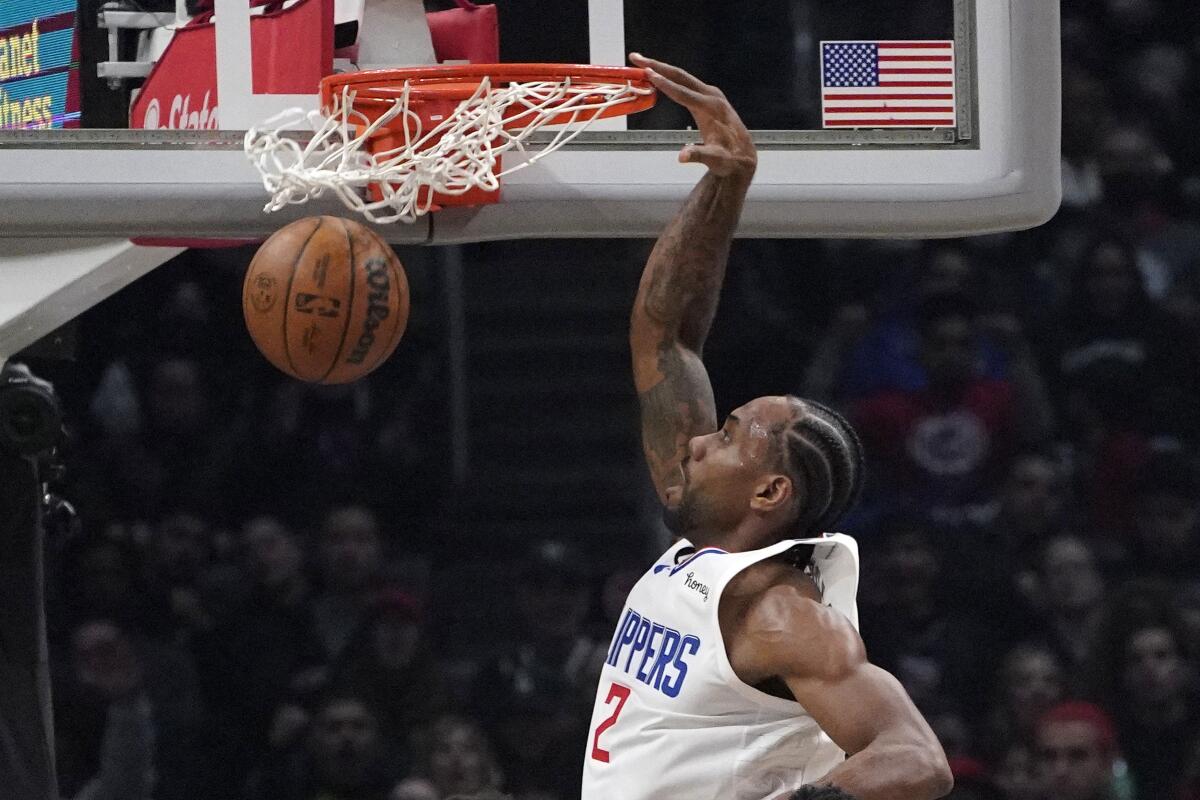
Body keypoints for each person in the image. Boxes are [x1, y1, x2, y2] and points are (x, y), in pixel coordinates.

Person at [579, 54, 952, 800]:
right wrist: (726, 186)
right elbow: (667, 338)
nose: (698, 438)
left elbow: (917, 758)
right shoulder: (702, 540)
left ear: (769, 490)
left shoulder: (781, 613)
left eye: (729, 435)